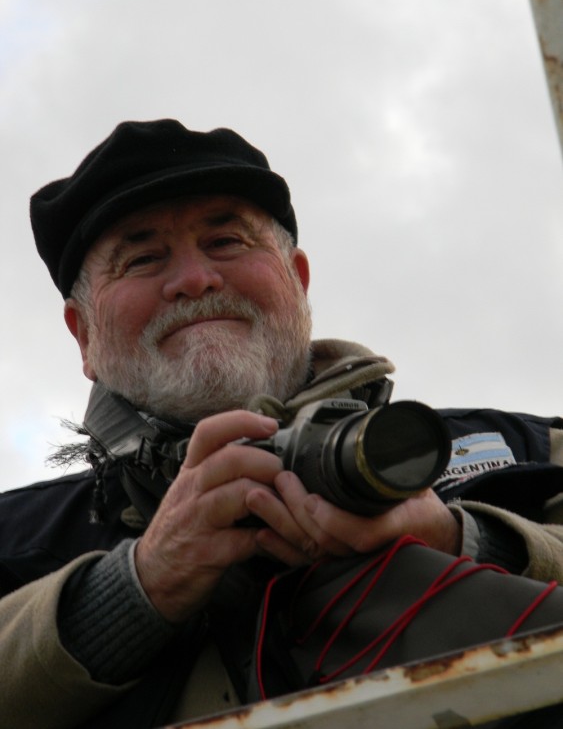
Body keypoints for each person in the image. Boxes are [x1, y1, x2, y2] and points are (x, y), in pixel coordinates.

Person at [2, 119, 563, 729]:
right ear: (83, 335)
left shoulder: (521, 448)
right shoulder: (18, 539)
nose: (194, 279)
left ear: (297, 280)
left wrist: (469, 540)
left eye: (227, 242)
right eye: (141, 258)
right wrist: (135, 590)